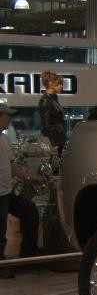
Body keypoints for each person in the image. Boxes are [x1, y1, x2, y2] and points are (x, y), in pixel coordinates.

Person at [0, 104, 43, 279]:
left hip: (6, 191)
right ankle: (2, 265)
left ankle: (29, 253)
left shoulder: (3, 139)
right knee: (0, 230)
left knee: (29, 211)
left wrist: (27, 177)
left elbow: (10, 165)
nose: (10, 119)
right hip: (1, 194)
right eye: (7, 116)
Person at [38, 70, 67, 157]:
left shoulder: (52, 99)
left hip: (58, 139)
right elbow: (48, 125)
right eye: (58, 84)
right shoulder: (46, 101)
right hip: (54, 141)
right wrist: (53, 145)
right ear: (51, 83)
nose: (61, 86)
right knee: (55, 165)